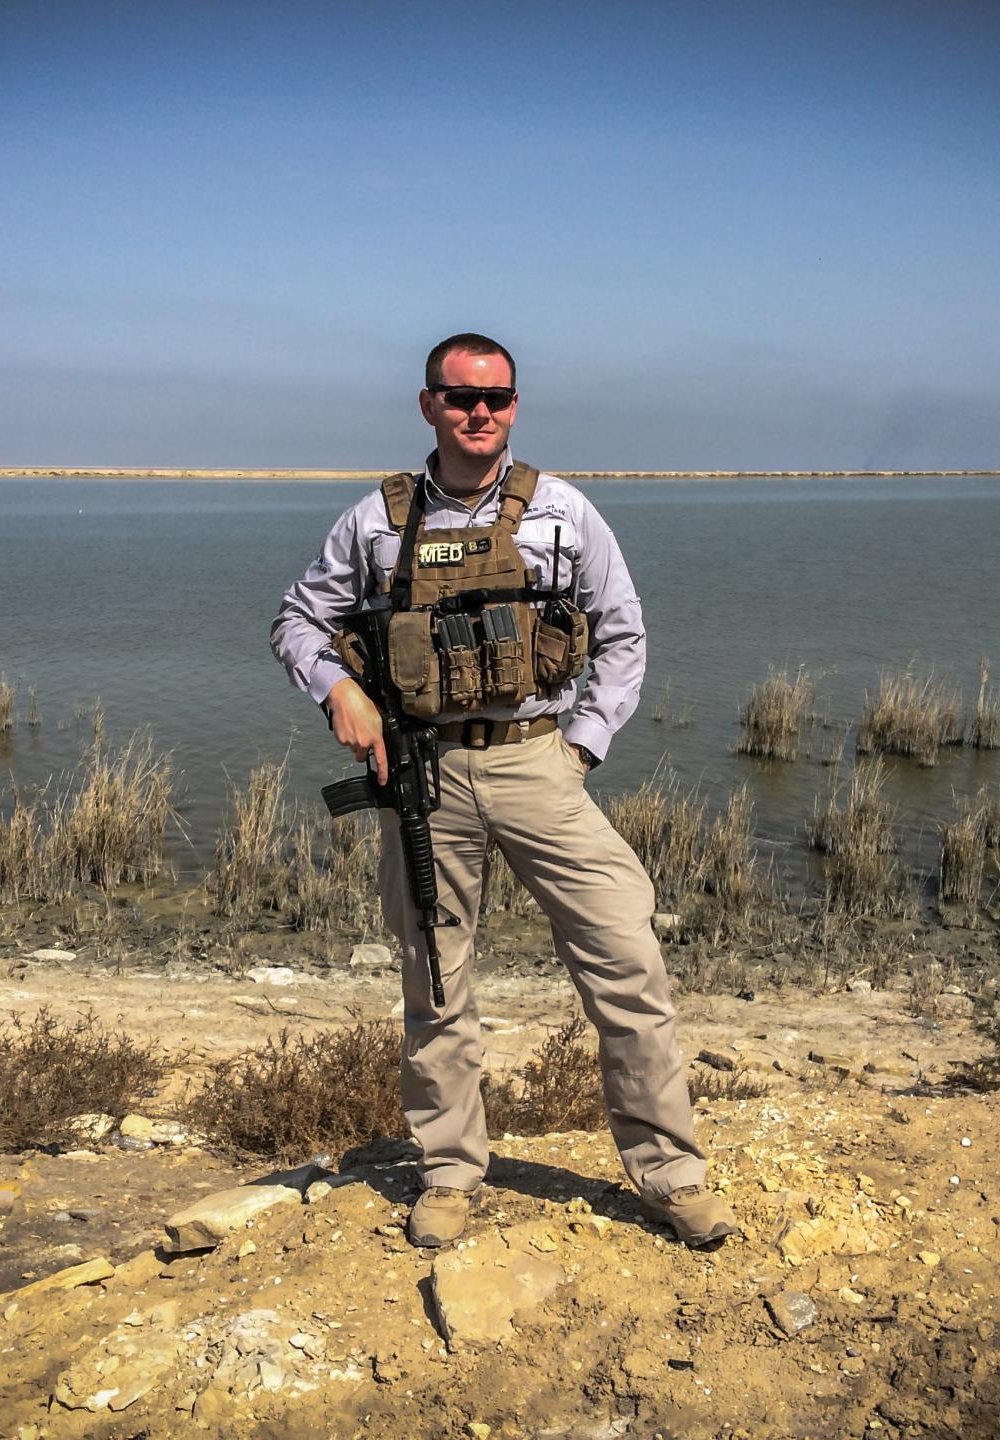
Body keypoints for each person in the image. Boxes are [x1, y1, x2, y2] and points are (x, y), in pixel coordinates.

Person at [270, 333, 738, 1249]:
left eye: (495, 397)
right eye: (459, 397)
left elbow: (623, 633)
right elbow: (299, 619)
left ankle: (671, 1175)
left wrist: (582, 748)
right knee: (436, 979)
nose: (478, 412)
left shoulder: (563, 511)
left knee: (627, 958)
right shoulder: (375, 522)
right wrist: (338, 692)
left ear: (515, 405)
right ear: (429, 405)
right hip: (425, 777)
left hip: (538, 764)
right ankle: (448, 1172)